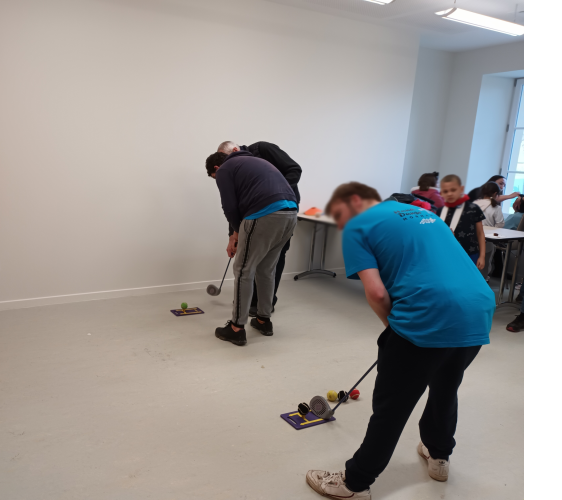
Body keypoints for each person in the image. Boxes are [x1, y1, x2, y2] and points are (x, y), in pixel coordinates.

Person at [305, 182, 494, 500]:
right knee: (445, 387)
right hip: (478, 309)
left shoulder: (357, 227)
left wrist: (396, 331)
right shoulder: (426, 215)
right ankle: (439, 456)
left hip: (429, 311)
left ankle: (355, 482)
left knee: (392, 406)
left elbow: (377, 293)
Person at [205, 150, 298, 346]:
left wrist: (238, 233)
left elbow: (230, 206)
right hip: (290, 214)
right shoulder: (253, 161)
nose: (217, 180)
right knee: (266, 269)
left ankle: (236, 328)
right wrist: (237, 233)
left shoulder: (225, 169)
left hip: (264, 213)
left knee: (243, 270)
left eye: (214, 177)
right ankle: (264, 320)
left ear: (216, 168)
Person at [217, 141, 302, 317]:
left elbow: (294, 169)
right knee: (257, 261)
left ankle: (264, 304)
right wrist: (233, 235)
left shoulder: (262, 149)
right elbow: (236, 204)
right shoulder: (238, 168)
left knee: (272, 259)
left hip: (281, 208)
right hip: (261, 211)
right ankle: (253, 304)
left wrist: (276, 189)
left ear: (235, 150)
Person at [437, 175, 487, 271]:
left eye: (453, 190)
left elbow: (480, 233)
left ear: (461, 189)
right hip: (447, 254)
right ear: (441, 193)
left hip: (470, 254)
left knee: (468, 278)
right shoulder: (440, 211)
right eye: (445, 191)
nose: (449, 194)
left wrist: (482, 256)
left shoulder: (473, 208)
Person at [474, 182, 505, 281]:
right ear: (495, 193)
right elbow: (500, 224)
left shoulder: (474, 204)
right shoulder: (496, 207)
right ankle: (484, 280)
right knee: (486, 262)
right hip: (488, 239)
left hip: (472, 238)